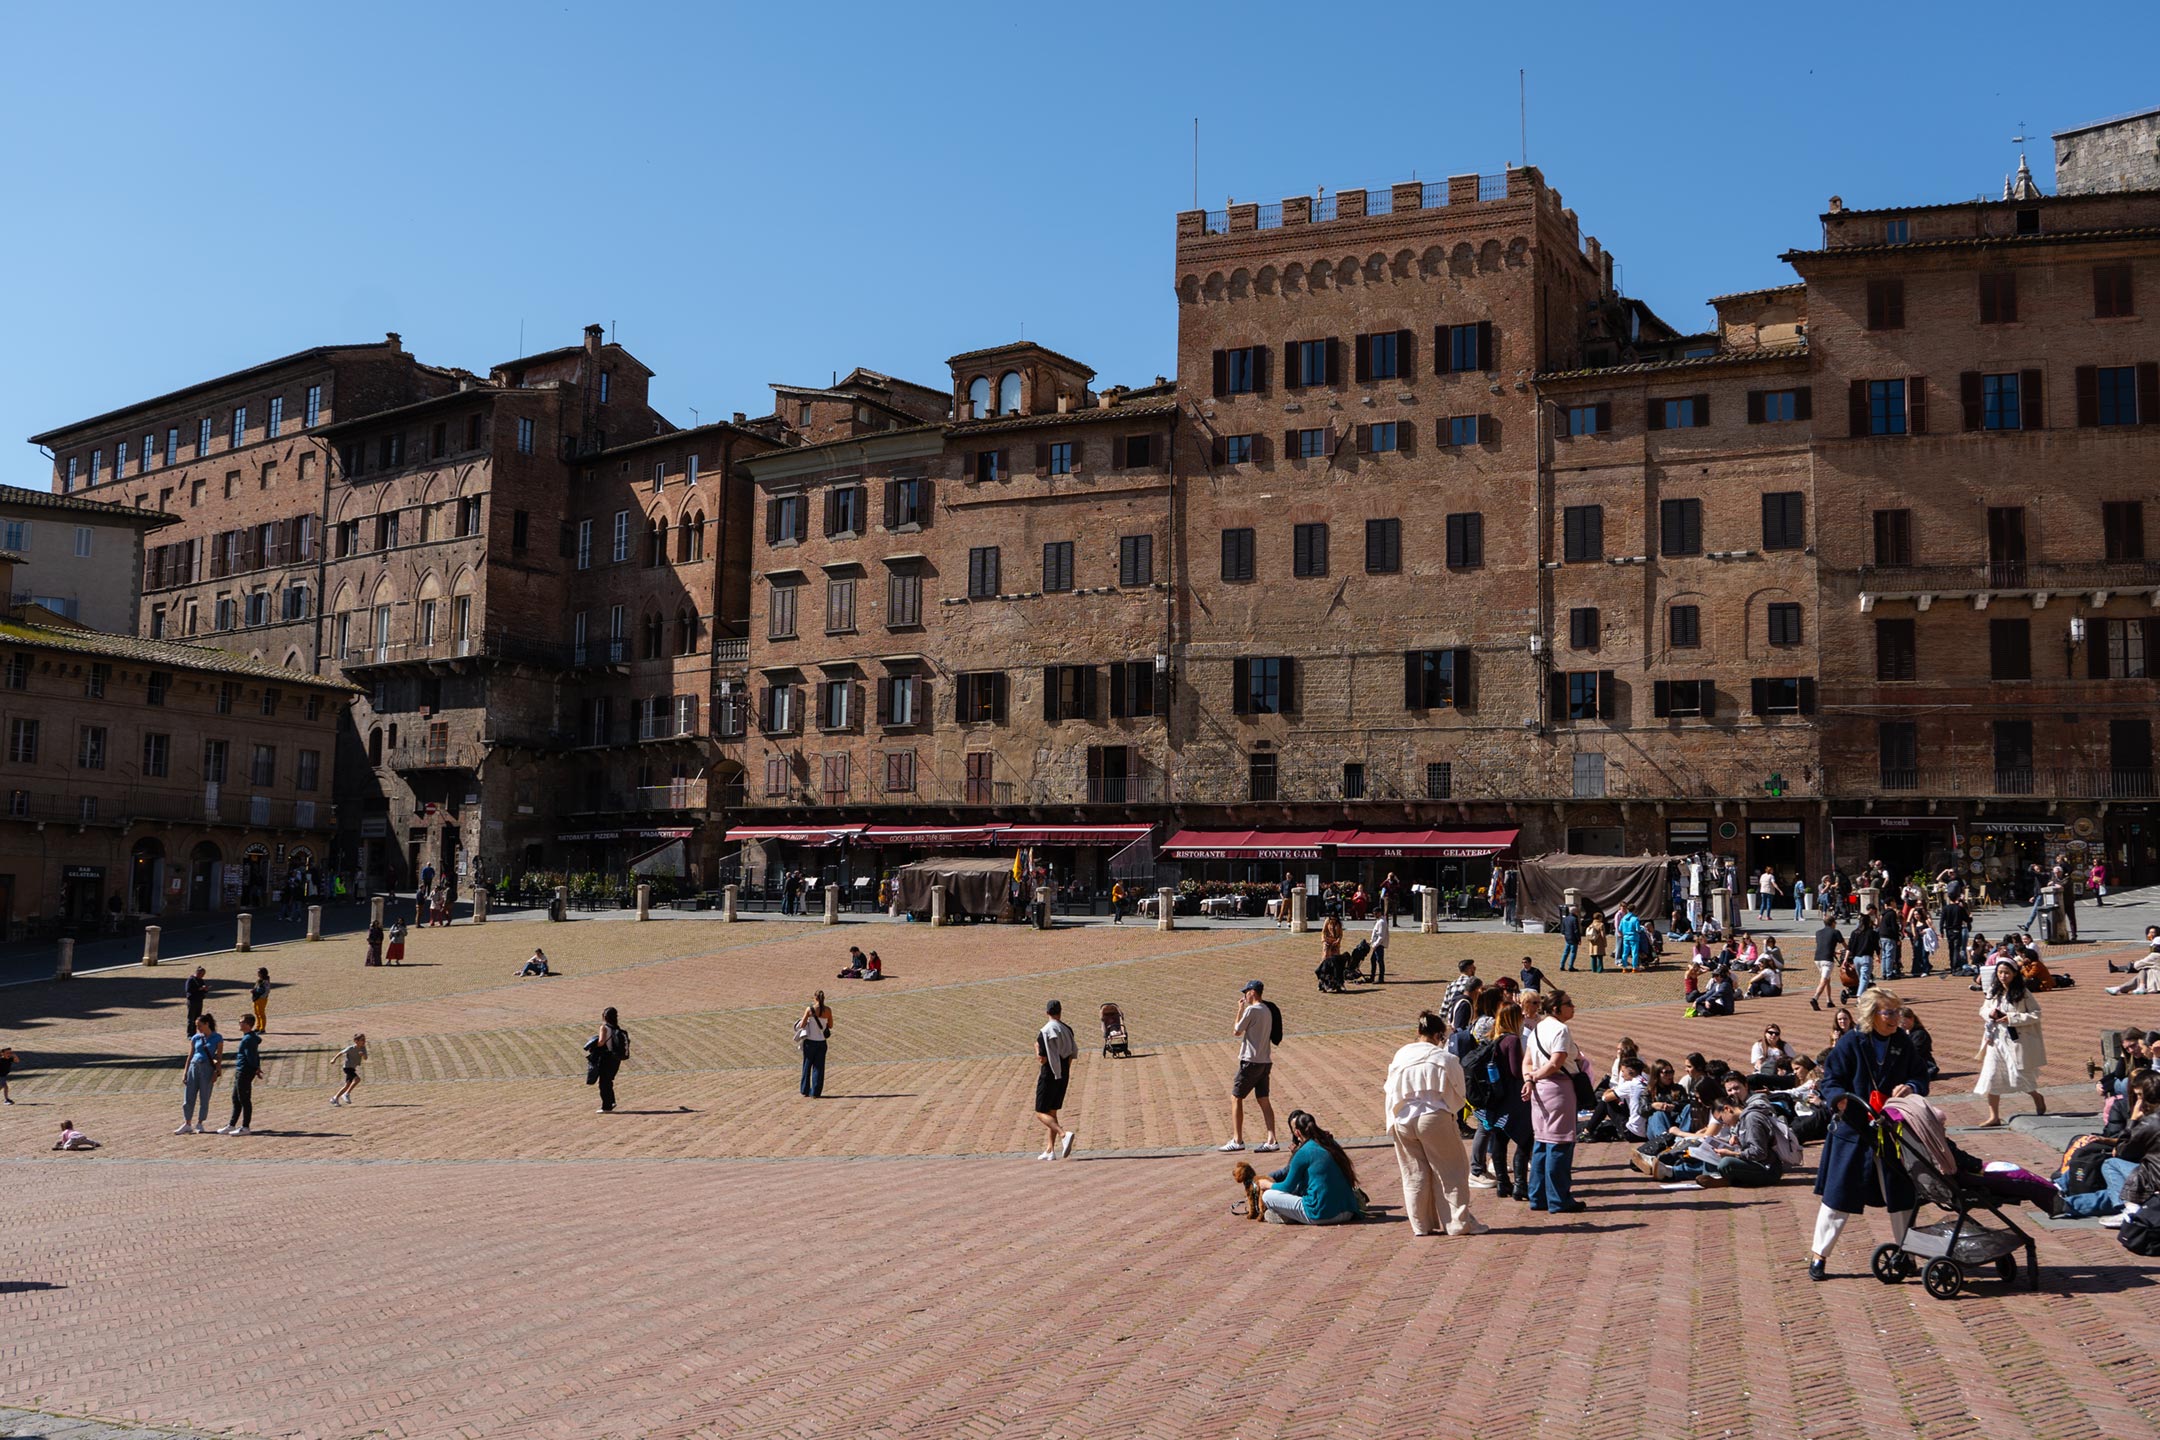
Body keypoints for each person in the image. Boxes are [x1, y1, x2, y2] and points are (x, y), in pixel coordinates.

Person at [1808, 986, 1928, 1280]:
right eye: (1889, 1012)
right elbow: (1831, 1080)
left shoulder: (1902, 1041)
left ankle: (1907, 1254)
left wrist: (1911, 1086)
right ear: (1872, 1015)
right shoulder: (1851, 1042)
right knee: (1838, 1196)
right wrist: (1838, 1098)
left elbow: (1920, 1074)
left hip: (1891, 1129)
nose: (1895, 1018)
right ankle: (1819, 1256)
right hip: (1854, 1130)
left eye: (1897, 1012)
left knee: (1901, 1196)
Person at [1385, 1012, 1489, 1236]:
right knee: (1451, 1170)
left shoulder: (1402, 1053)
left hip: (1402, 1118)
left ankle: (1420, 1224)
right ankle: (1458, 1223)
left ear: (1418, 1032)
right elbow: (1459, 1091)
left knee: (1414, 1172)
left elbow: (1390, 1088)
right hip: (1433, 1116)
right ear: (1438, 1035)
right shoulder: (1445, 1058)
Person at [1522, 989, 1585, 1214]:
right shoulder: (1561, 1030)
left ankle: (1538, 1196)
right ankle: (1559, 1199)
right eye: (1569, 1003)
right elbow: (1556, 1062)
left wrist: (1530, 1078)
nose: (1573, 1007)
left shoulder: (1538, 1028)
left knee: (1541, 1142)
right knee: (1560, 1143)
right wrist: (1535, 1076)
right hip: (1558, 1090)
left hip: (1539, 1091)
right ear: (1556, 1008)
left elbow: (1527, 1061)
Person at [1260, 1110, 1364, 1225]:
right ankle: (1291, 1214)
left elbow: (1287, 1187)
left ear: (1297, 1133)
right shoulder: (1330, 1143)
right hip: (1347, 1212)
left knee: (1268, 1196)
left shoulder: (1304, 1151)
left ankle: (1290, 1216)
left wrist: (1266, 1184)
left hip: (1320, 1215)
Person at [1976, 961, 2046, 1126]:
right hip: (1995, 1038)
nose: (2003, 976)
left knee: (2019, 1075)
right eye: (2000, 972)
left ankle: (2036, 1096)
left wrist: (2011, 1017)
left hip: (2015, 1039)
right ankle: (1994, 1116)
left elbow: (2036, 1013)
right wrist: (1990, 1013)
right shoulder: (1993, 991)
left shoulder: (2023, 992)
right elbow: (1983, 1009)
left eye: (2006, 972)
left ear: (2014, 973)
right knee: (1992, 1074)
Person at [1222, 980, 1279, 1153]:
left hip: (1250, 1061)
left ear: (1253, 992)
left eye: (1246, 992)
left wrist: (1239, 1010)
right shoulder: (1268, 1009)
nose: (1245, 996)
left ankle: (1237, 1139)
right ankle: (1272, 1139)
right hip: (1265, 1061)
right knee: (1263, 1099)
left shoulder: (1252, 1010)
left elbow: (1237, 1031)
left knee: (1236, 1097)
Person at [1034, 999, 1078, 1159]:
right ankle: (1050, 1150)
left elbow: (1042, 1059)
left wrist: (1036, 1049)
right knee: (1052, 1112)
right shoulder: (1067, 1029)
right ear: (1060, 1012)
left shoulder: (1045, 1031)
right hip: (1064, 1073)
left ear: (1047, 1012)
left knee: (1040, 1112)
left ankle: (1063, 1134)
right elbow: (1072, 1053)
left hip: (1049, 1074)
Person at [217, 1013, 263, 1135]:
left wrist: (255, 1068)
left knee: (244, 1099)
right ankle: (232, 1125)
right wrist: (257, 1067)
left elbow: (251, 1056)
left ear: (247, 1024)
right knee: (236, 1098)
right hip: (241, 1070)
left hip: (245, 1071)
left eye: (241, 1022)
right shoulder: (248, 1038)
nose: (239, 1024)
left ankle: (245, 1127)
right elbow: (255, 1054)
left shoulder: (248, 1039)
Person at [177, 1014, 223, 1134]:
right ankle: (187, 1123)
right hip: (194, 1066)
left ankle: (200, 1122)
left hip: (207, 1068)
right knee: (189, 1096)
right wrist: (185, 1072)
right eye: (197, 1026)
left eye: (200, 1026)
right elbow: (190, 1055)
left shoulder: (217, 1038)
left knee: (205, 1096)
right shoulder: (196, 1038)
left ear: (207, 1024)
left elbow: (219, 1057)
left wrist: (216, 1072)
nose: (198, 1028)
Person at [586, 1009, 627, 1113]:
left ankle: (607, 1106)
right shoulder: (616, 1028)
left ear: (604, 1017)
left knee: (604, 1083)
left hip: (606, 1057)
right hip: (616, 1058)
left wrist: (593, 1044)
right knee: (608, 1081)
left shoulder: (604, 1027)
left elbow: (601, 1042)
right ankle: (611, 1101)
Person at [796, 991, 833, 1099]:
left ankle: (805, 1089)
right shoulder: (828, 1010)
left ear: (815, 998)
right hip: (821, 1042)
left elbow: (802, 1025)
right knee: (819, 1068)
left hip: (810, 1041)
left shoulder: (809, 1009)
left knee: (807, 1066)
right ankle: (816, 1091)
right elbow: (830, 1025)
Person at [1809, 915, 1843, 1012]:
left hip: (1818, 958)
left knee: (1827, 979)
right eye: (1835, 922)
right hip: (1827, 960)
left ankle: (1829, 1000)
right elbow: (1845, 945)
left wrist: (1834, 952)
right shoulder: (1836, 932)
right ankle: (1815, 998)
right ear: (1833, 923)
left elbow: (1824, 945)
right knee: (1824, 980)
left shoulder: (1818, 933)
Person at [330, 1032, 368, 1106]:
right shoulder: (351, 1048)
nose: (364, 1041)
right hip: (347, 1067)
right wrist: (334, 1059)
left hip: (352, 1068)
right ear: (356, 1041)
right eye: (362, 1040)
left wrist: (362, 1054)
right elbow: (341, 1052)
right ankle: (346, 1094)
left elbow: (365, 1058)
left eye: (364, 1040)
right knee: (357, 1079)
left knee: (347, 1085)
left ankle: (334, 1098)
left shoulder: (363, 1048)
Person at [184, 966, 209, 1038]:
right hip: (192, 1001)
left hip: (199, 1001)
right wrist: (199, 989)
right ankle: (190, 1034)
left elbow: (203, 990)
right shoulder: (191, 980)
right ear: (197, 972)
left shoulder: (201, 980)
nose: (202, 976)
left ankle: (195, 1033)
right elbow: (188, 990)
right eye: (201, 974)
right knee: (191, 1018)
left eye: (203, 974)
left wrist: (205, 989)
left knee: (197, 1019)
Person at [1557, 907, 1582, 971]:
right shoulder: (1574, 919)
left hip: (1567, 938)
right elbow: (1576, 930)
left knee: (1565, 952)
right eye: (1577, 911)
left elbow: (1563, 928)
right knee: (1573, 952)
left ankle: (1562, 965)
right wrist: (1579, 939)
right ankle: (1571, 966)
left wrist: (1563, 934)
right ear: (1574, 912)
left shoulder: (1565, 918)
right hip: (1573, 938)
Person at [1368, 909, 1389, 984]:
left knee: (1380, 961)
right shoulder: (1379, 921)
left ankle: (1381, 978)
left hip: (1379, 945)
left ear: (1380, 913)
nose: (1375, 915)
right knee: (1373, 960)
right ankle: (1372, 977)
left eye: (1376, 914)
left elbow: (1381, 936)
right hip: (1376, 944)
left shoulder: (1381, 922)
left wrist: (1375, 945)